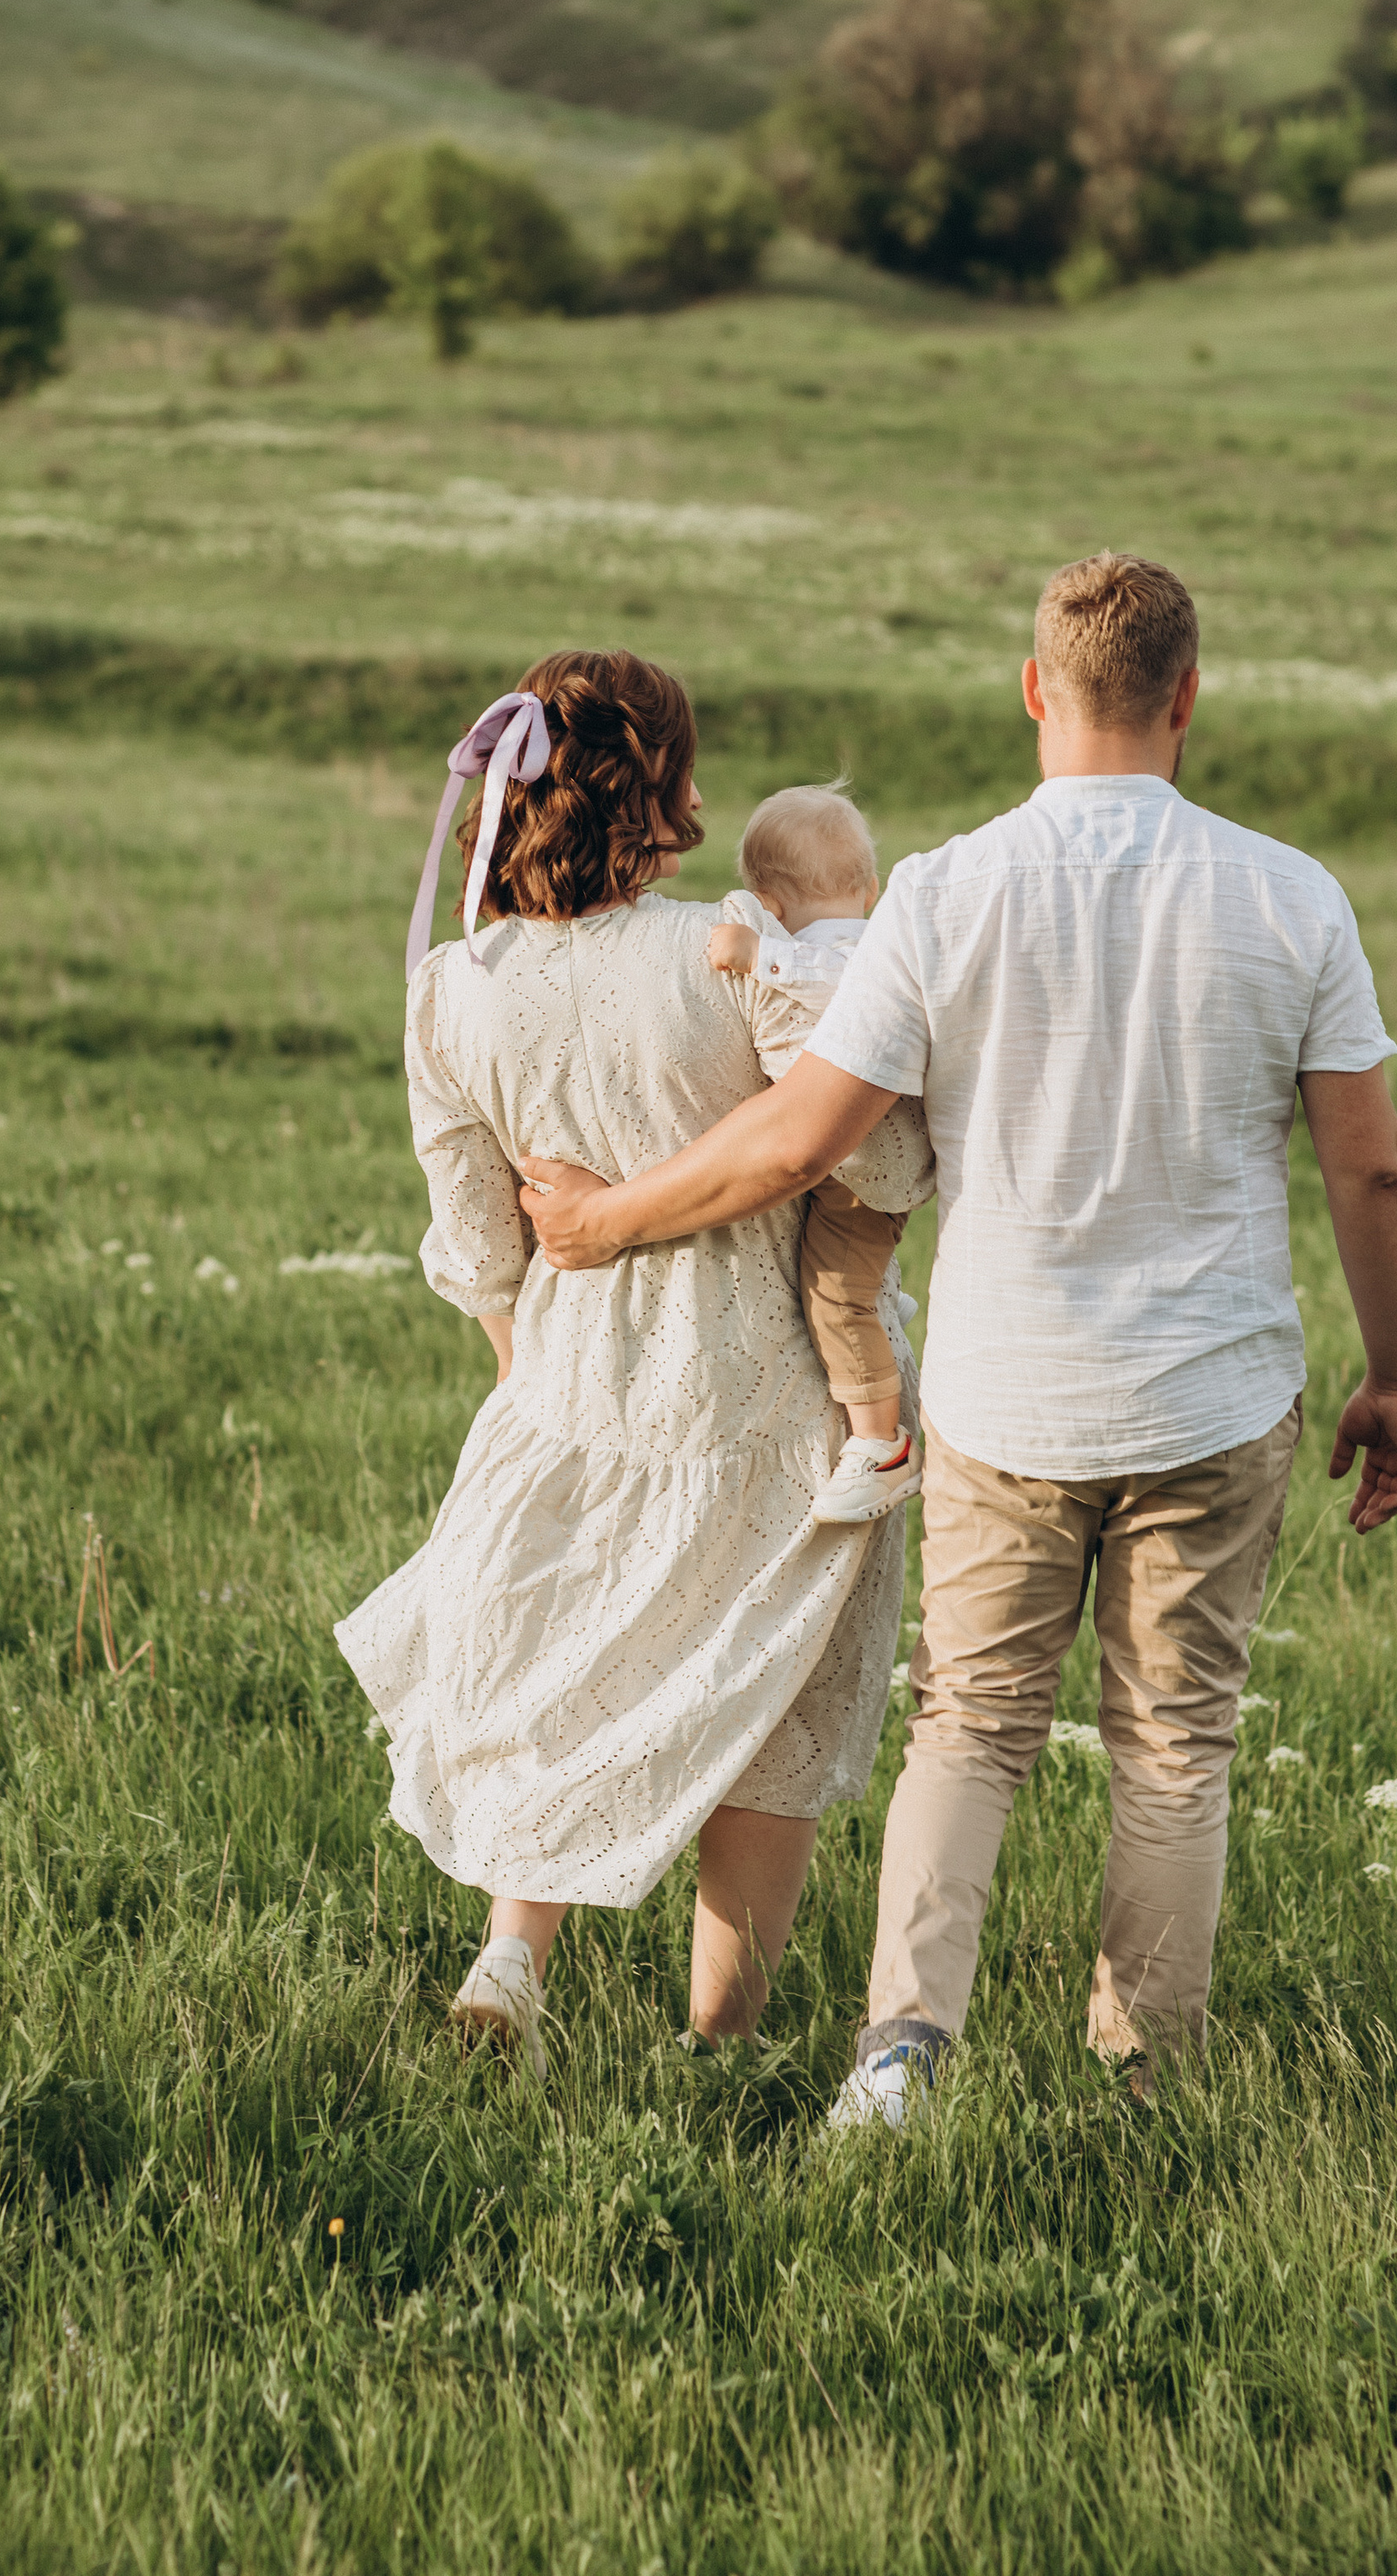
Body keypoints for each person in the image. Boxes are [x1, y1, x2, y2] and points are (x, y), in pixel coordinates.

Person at [519, 554, 1397, 2128]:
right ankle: (1143, 2082)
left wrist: (608, 1224)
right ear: (1188, 700)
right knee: (1175, 1745)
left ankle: (902, 2056)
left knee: (971, 1728)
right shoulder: (1293, 895)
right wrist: (1394, 1377)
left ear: (1032, 694)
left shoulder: (947, 890)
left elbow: (802, 1138)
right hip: (1218, 1396)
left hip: (1013, 1400)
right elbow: (1374, 1169)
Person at [334, 648, 933, 2081]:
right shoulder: (731, 948)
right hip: (776, 1393)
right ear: (655, 793)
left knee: (565, 1667)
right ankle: (716, 2047)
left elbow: (478, 1244)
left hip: (572, 1385)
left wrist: (531, 1376)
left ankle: (514, 1952)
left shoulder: (450, 991)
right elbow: (879, 1148)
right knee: (768, 1708)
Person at [706, 784, 918, 1526]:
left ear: (769, 899)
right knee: (837, 1259)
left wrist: (764, 957)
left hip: (865, 1166)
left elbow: (847, 993)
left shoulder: (840, 954)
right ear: (869, 885)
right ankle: (881, 1295)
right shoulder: (878, 929)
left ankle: (880, 1446)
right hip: (861, 1164)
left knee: (835, 1295)